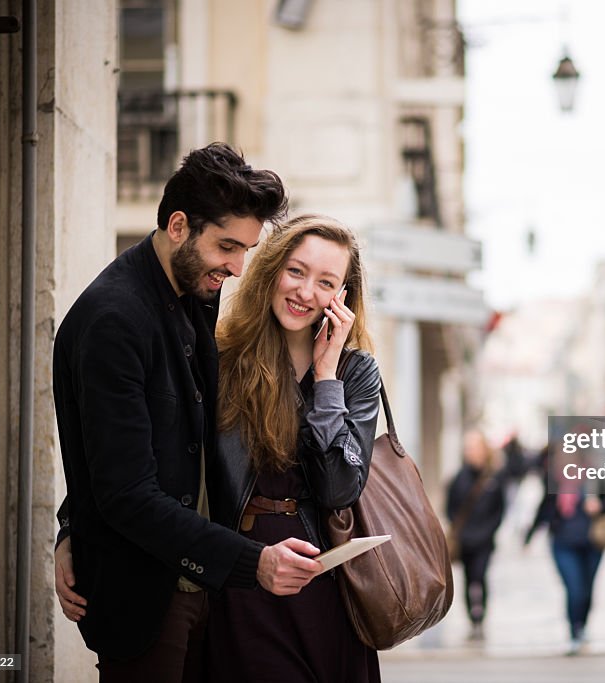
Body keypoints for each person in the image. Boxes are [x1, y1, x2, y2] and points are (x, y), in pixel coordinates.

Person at [53, 143, 324, 682]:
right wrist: (257, 562)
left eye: (246, 249)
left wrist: (71, 522)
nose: (238, 266)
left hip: (203, 591)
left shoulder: (192, 293)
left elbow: (148, 444)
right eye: (227, 246)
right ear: (178, 225)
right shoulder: (114, 319)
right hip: (145, 601)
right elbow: (126, 492)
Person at [204, 214, 383, 682]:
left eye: (326, 282)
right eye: (296, 271)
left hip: (323, 581)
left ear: (342, 297)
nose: (306, 292)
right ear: (272, 270)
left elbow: (339, 489)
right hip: (243, 569)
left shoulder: (355, 372)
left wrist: (326, 381)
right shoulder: (221, 356)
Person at [524, 448, 605, 656]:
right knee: (575, 589)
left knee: (588, 590)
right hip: (563, 543)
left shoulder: (594, 476)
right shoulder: (554, 479)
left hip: (592, 544)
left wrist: (599, 506)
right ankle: (574, 631)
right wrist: (529, 536)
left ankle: (582, 625)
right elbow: (544, 508)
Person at [445, 430, 507, 642]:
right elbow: (451, 508)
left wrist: (487, 531)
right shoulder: (459, 478)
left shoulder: (493, 478)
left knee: (480, 576)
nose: (471, 452)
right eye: (468, 449)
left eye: (475, 448)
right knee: (469, 578)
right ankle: (472, 616)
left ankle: (481, 615)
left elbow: (500, 510)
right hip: (465, 540)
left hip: (485, 540)